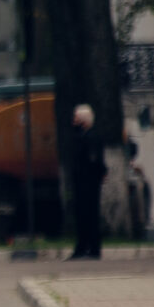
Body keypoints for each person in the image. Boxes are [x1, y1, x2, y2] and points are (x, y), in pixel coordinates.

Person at [67, 104, 105, 260]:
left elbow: (94, 160)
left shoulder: (92, 136)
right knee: (82, 216)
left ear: (83, 119)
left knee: (90, 215)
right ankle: (82, 247)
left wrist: (94, 175)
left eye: (76, 116)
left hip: (88, 182)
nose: (74, 120)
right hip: (82, 181)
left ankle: (92, 248)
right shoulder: (81, 135)